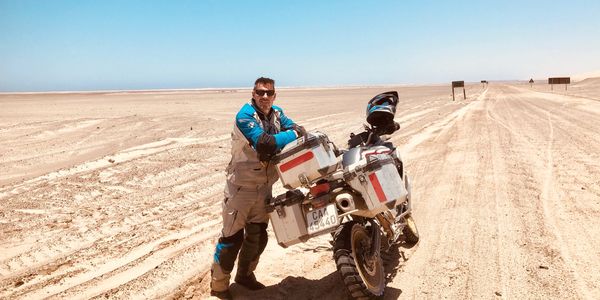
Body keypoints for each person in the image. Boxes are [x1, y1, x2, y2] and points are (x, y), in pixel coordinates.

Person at [210, 77, 305, 299]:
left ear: (274, 95)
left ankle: (245, 276)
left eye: (268, 93)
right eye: (260, 93)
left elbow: (295, 126)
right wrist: (293, 134)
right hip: (240, 189)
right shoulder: (245, 116)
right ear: (253, 94)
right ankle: (219, 286)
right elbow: (265, 143)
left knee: (258, 236)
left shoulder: (277, 113)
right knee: (231, 239)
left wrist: (294, 132)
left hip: (264, 188)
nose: (264, 97)